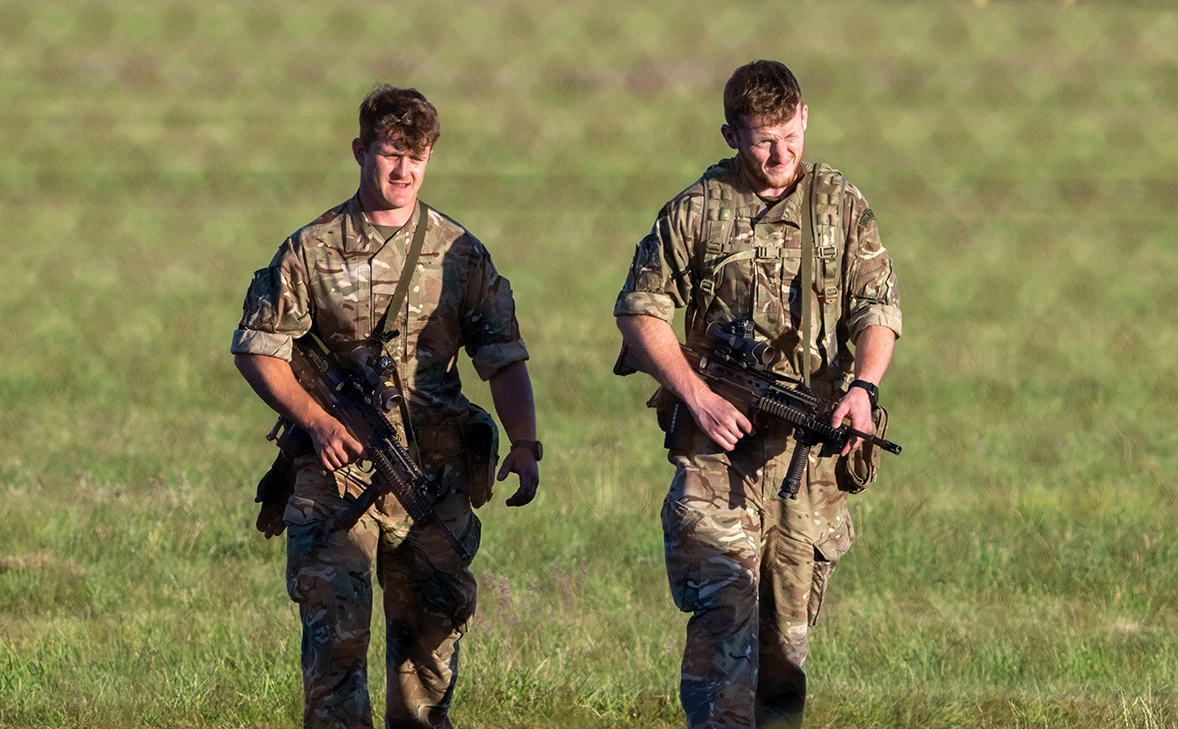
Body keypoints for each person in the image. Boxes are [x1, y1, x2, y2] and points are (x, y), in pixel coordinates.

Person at [231, 84, 542, 729]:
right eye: (391, 154)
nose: (404, 171)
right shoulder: (310, 250)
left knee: (429, 647)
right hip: (332, 478)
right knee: (335, 649)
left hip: (429, 477)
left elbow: (503, 357)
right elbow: (258, 348)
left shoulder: (460, 254)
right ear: (360, 151)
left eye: (418, 157)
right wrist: (315, 420)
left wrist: (526, 442)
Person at [614, 60, 902, 728]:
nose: (779, 155)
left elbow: (878, 308)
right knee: (723, 633)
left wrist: (863, 387)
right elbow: (638, 311)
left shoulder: (841, 206)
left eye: (790, 137)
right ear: (730, 133)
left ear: (805, 118)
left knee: (786, 650)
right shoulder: (698, 208)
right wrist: (695, 394)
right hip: (718, 461)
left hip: (809, 462)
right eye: (762, 140)